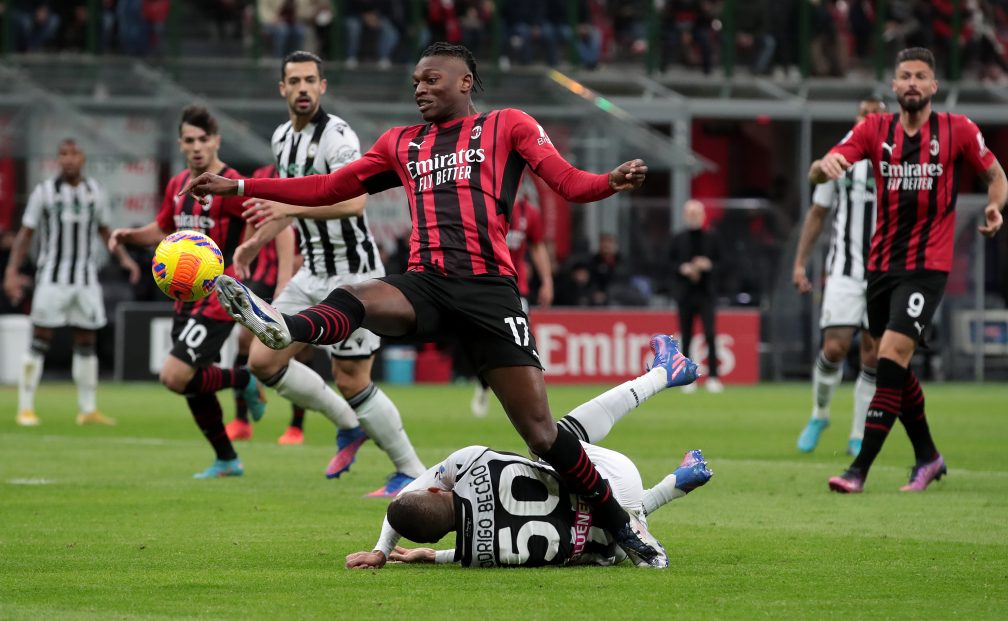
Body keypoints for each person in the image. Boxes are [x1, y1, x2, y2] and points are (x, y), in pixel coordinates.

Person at [180, 42, 669, 568]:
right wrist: (238, 184)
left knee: (542, 434)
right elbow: (330, 186)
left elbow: (568, 183)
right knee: (357, 296)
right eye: (415, 80)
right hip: (427, 282)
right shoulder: (402, 143)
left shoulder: (509, 126)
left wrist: (609, 183)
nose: (420, 88)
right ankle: (284, 326)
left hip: (489, 291)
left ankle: (622, 525)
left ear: (465, 82)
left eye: (432, 79)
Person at [809, 47, 1008, 493]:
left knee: (891, 357)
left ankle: (858, 470)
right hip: (880, 266)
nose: (913, 82)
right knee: (892, 363)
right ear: (894, 87)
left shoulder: (958, 129)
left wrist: (995, 208)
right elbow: (817, 174)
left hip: (928, 267)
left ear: (934, 86)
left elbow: (996, 176)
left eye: (921, 75)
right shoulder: (874, 129)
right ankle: (929, 457)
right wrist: (825, 168)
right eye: (905, 75)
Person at [229, 51, 426, 494]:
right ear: (282, 89)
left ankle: (410, 470)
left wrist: (287, 206)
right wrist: (255, 243)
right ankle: (348, 424)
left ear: (323, 86)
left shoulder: (338, 137)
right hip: (311, 272)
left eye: (309, 80)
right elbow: (288, 207)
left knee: (352, 377)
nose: (302, 88)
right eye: (294, 81)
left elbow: (355, 201)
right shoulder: (282, 138)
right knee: (262, 360)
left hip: (353, 276)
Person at [345, 335, 710, 569]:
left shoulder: (478, 554)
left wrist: (428, 555)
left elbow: (460, 546)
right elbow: (416, 490)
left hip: (611, 541)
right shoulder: (470, 462)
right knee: (552, 441)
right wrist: (380, 546)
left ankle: (671, 487)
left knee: (572, 521)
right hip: (611, 483)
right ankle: (663, 374)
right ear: (436, 491)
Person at [107, 106, 268, 479]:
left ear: (216, 141)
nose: (196, 147)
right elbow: (163, 228)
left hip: (219, 296)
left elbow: (269, 222)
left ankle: (244, 379)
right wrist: (129, 237)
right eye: (189, 140)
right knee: (193, 382)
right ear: (181, 144)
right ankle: (227, 458)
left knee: (174, 376)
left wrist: (250, 252)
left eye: (203, 140)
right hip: (183, 296)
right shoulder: (177, 184)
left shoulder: (230, 184)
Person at [3, 138, 141, 427]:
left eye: (74, 154)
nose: (68, 159)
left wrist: (125, 259)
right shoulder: (44, 193)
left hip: (86, 279)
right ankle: (25, 407)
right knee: (40, 339)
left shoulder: (95, 193)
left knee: (86, 341)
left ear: (83, 158)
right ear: (57, 158)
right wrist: (12, 271)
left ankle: (87, 409)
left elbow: (105, 232)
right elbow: (25, 235)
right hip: (52, 278)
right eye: (63, 154)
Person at [793, 98, 885, 457]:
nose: (868, 119)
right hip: (845, 269)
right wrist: (800, 263)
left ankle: (859, 432)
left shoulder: (897, 159)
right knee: (834, 347)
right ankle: (819, 414)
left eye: (875, 113)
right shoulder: (839, 157)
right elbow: (818, 212)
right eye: (864, 112)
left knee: (873, 354)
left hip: (883, 271)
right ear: (857, 117)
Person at [224, 164, 296, 444]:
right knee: (243, 340)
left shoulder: (309, 177)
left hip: (296, 274)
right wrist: (244, 258)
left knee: (298, 351)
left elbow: (288, 233)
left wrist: (284, 283)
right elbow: (252, 218)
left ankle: (296, 426)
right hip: (262, 276)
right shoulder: (264, 175)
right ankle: (241, 419)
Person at [470, 190, 554, 417]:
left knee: (521, 338)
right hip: (485, 283)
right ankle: (484, 383)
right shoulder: (483, 204)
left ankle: (529, 395)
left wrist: (546, 281)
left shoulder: (530, 213)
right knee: (483, 339)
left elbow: (537, 246)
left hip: (517, 287)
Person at [669, 199, 723, 393]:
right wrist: (683, 268)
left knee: (710, 334)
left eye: (696, 213)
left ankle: (714, 377)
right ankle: (687, 378)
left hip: (706, 293)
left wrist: (708, 266)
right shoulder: (678, 238)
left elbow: (722, 263)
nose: (693, 217)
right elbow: (669, 263)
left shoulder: (712, 238)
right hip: (685, 294)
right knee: (687, 336)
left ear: (703, 216)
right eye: (690, 214)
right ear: (685, 216)